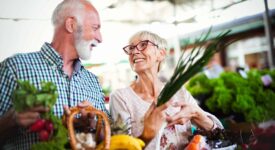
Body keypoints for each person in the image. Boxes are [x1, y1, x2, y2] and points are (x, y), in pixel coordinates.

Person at [0, 0, 110, 149]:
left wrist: (92, 125)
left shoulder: (92, 81)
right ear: (71, 24)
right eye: (95, 28)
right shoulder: (15, 67)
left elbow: (109, 139)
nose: (100, 38)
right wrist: (12, 120)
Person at [109, 31, 223, 149]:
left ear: (161, 54)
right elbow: (120, 147)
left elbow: (221, 137)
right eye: (131, 48)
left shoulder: (179, 92)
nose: (135, 51)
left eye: (143, 45)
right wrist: (148, 133)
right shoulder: (121, 97)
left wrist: (197, 115)